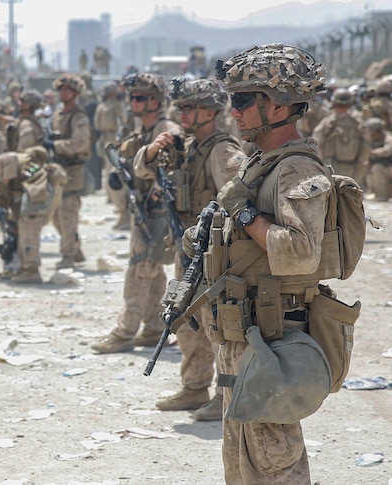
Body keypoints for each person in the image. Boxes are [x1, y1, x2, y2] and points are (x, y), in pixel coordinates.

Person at [210, 44, 331, 483]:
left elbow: (300, 253)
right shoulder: (260, 164)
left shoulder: (295, 169)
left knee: (273, 464)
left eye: (243, 100)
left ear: (278, 105)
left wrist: (245, 215)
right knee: (240, 463)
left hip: (271, 337)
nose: (233, 111)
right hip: (242, 334)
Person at [143, 77, 243, 420]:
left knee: (218, 328)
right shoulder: (185, 146)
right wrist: (153, 150)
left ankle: (226, 395)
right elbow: (142, 168)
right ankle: (194, 387)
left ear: (210, 111)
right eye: (180, 107)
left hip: (213, 256)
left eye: (190, 108)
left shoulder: (222, 150)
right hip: (186, 250)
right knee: (185, 322)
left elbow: (240, 199)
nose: (182, 114)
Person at [91, 72, 181, 353]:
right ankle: (155, 327)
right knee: (151, 269)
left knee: (140, 267)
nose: (133, 102)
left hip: (158, 209)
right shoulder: (140, 130)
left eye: (139, 98)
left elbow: (177, 169)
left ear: (155, 101)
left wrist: (155, 187)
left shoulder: (167, 130)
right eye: (131, 97)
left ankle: (125, 330)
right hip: (143, 207)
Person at [0, 146, 67, 283]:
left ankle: (31, 270)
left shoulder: (2, 162)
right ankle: (25, 268)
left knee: (28, 231)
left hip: (37, 194)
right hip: (38, 193)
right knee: (24, 231)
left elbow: (7, 181)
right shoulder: (14, 161)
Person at [42, 74, 91, 270]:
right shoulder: (58, 115)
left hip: (72, 171)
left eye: (67, 90)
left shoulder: (79, 117)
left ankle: (68, 255)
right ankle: (74, 248)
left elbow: (80, 143)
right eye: (61, 90)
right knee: (55, 215)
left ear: (76, 93)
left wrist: (55, 145)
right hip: (57, 170)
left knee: (67, 213)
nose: (63, 93)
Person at [312, 88, 369, 188]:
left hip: (333, 167)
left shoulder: (328, 122)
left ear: (334, 103)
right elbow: (366, 143)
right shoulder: (357, 121)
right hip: (353, 167)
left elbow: (316, 142)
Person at [95, 83, 129, 230]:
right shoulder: (102, 106)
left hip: (114, 141)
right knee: (107, 174)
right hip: (105, 139)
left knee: (113, 174)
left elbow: (123, 121)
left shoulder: (116, 105)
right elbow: (97, 123)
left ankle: (123, 212)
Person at [366, 117, 392, 200]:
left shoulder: (388, 138)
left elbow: (387, 150)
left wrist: (375, 152)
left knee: (377, 168)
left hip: (388, 166)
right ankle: (371, 191)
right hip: (379, 165)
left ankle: (382, 195)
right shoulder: (371, 139)